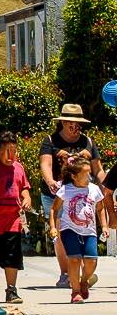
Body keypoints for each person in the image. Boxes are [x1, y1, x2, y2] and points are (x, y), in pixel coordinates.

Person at [42, 103, 105, 288]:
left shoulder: (88, 142)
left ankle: (82, 275)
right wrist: (50, 181)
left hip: (84, 194)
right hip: (58, 194)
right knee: (62, 234)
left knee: (84, 230)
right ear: (63, 122)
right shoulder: (51, 141)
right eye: (71, 123)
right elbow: (45, 164)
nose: (75, 127)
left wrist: (106, 188)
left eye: (78, 124)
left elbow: (97, 169)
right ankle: (66, 274)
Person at [0, 133, 32, 304]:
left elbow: (24, 187)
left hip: (12, 221)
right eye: (6, 151)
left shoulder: (19, 168)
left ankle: (11, 290)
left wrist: (27, 198)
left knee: (13, 257)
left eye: (14, 150)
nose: (11, 155)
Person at [57, 155, 103, 302]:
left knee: (91, 261)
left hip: (89, 230)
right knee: (74, 259)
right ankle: (75, 291)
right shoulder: (65, 189)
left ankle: (84, 282)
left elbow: (100, 208)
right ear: (74, 176)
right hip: (69, 229)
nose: (89, 176)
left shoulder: (94, 189)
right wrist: (53, 226)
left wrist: (105, 226)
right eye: (85, 173)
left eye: (90, 172)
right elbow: (54, 209)